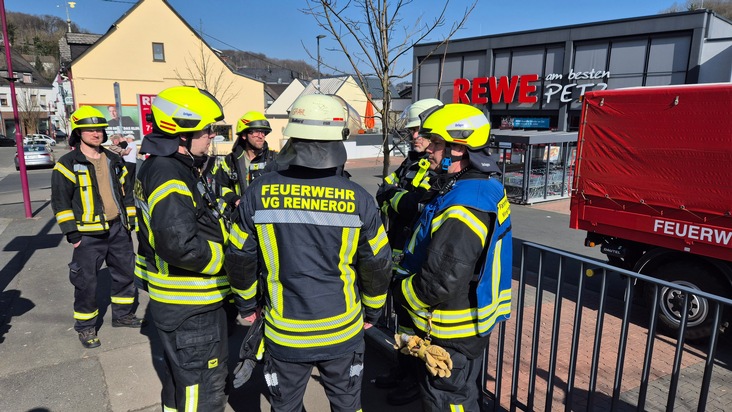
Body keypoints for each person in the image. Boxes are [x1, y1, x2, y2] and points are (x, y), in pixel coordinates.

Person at [225, 94, 393, 412]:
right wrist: (372, 313)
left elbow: (239, 256)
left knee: (285, 407)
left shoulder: (258, 193)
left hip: (285, 332)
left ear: (292, 138)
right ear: (338, 140)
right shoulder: (359, 199)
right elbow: (378, 263)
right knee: (347, 406)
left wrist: (247, 307)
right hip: (342, 331)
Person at [394, 103, 513, 412]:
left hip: (451, 329)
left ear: (459, 148)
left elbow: (440, 279)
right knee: (461, 395)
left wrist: (401, 290)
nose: (429, 150)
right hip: (463, 324)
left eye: (436, 143)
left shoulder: (465, 203)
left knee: (448, 401)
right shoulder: (477, 187)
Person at [134, 86, 231, 411]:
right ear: (181, 132)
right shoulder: (168, 172)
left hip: (175, 302)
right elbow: (180, 245)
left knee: (179, 386)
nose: (210, 137)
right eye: (205, 130)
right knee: (203, 392)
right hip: (192, 305)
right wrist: (228, 259)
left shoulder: (161, 164)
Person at [50, 106, 143, 349]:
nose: (95, 133)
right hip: (87, 235)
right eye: (89, 129)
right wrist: (73, 234)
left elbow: (127, 193)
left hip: (117, 230)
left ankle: (123, 316)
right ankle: (86, 327)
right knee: (86, 282)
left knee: (125, 275)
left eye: (99, 129)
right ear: (78, 132)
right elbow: (60, 202)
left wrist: (129, 223)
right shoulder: (67, 164)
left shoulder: (113, 159)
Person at [373, 98, 442, 405]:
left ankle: (416, 378)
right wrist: (399, 199)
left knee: (418, 322)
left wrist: (397, 198)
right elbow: (383, 193)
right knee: (402, 318)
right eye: (412, 131)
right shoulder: (411, 163)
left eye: (419, 131)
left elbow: (417, 208)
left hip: (421, 259)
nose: (414, 137)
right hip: (399, 253)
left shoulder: (440, 167)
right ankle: (402, 370)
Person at [209, 111, 277, 208]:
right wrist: (235, 199)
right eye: (256, 132)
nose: (261, 136)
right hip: (241, 216)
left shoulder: (274, 159)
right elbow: (219, 186)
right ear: (244, 135)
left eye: (263, 132)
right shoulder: (231, 160)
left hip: (267, 214)